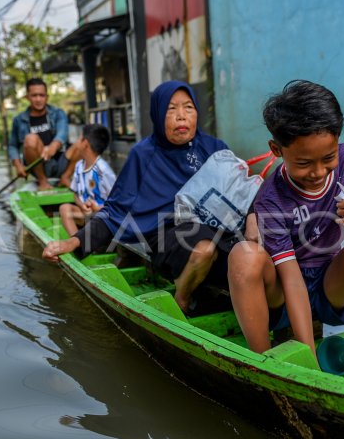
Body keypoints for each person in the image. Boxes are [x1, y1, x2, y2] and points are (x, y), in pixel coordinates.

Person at [227, 80, 344, 385]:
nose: (318, 173)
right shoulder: (270, 199)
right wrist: (311, 364)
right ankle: (267, 371)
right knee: (243, 256)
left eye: (328, 159)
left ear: (338, 142)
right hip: (284, 291)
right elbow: (291, 279)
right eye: (304, 163)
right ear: (276, 150)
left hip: (332, 286)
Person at [43, 80, 237, 312]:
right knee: (204, 247)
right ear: (157, 114)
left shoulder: (214, 148)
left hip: (217, 228)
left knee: (249, 251)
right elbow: (114, 211)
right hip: (167, 234)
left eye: (188, 107)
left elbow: (238, 194)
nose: (181, 116)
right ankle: (182, 298)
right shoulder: (143, 155)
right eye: (171, 109)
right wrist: (73, 241)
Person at [9, 77, 76, 191]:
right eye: (34, 95)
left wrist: (53, 147)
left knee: (84, 142)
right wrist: (18, 165)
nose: (38, 99)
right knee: (30, 139)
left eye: (42, 95)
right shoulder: (19, 120)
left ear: (47, 97)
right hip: (38, 166)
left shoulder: (58, 114)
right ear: (27, 97)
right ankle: (43, 182)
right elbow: (12, 145)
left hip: (61, 162)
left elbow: (62, 133)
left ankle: (65, 178)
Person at [58, 124, 116, 235]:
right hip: (87, 214)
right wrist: (81, 205)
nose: (77, 141)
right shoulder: (79, 165)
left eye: (80, 138)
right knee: (64, 209)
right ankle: (77, 242)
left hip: (103, 216)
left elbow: (117, 202)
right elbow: (75, 194)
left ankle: (88, 241)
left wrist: (98, 208)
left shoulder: (103, 170)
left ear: (85, 143)